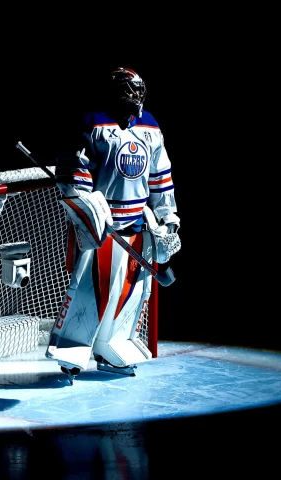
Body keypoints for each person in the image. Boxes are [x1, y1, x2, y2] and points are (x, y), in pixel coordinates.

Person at [45, 67, 181, 383]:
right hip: (101, 227)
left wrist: (168, 218)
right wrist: (90, 210)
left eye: (140, 89)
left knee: (131, 292)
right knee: (90, 291)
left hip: (138, 225)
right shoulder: (92, 123)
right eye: (130, 90)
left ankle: (112, 348)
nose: (137, 96)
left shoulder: (150, 126)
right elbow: (74, 174)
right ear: (115, 91)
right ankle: (71, 352)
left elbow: (160, 177)